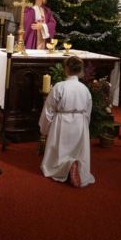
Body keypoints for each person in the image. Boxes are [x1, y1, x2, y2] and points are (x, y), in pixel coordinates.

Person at [38, 56, 95, 188]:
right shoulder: (85, 89)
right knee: (77, 150)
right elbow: (88, 112)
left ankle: (63, 167)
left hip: (62, 122)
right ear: (80, 70)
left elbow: (48, 110)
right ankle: (75, 165)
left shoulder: (60, 87)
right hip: (80, 123)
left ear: (66, 69)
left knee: (58, 152)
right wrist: (85, 126)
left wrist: (44, 129)